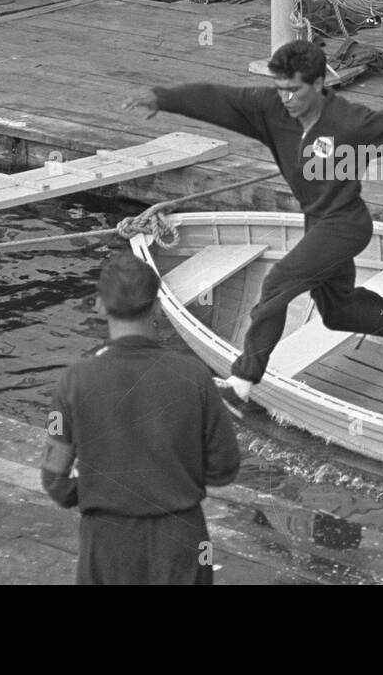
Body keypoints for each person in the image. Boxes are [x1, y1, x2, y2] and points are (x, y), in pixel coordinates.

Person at [121, 40, 383, 408]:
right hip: (317, 223)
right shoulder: (269, 110)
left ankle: (243, 383)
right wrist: (163, 97)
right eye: (280, 89)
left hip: (346, 224)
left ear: (319, 83)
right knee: (337, 311)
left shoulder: (352, 123)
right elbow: (217, 98)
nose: (287, 99)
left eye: (295, 90)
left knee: (277, 285)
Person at [41, 249, 241, 585]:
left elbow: (54, 479)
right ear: (157, 307)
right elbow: (225, 467)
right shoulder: (194, 376)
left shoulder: (73, 382)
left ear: (99, 305)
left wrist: (97, 495)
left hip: (106, 540)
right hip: (182, 537)